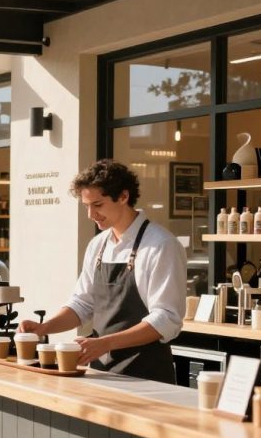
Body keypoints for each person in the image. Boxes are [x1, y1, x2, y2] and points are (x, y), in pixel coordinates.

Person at [17, 159, 185, 384]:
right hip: (101, 372)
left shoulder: (161, 245)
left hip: (147, 375)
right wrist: (44, 327)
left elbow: (166, 319)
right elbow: (83, 304)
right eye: (86, 206)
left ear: (124, 197)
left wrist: (104, 343)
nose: (90, 214)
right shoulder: (98, 245)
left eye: (97, 205)